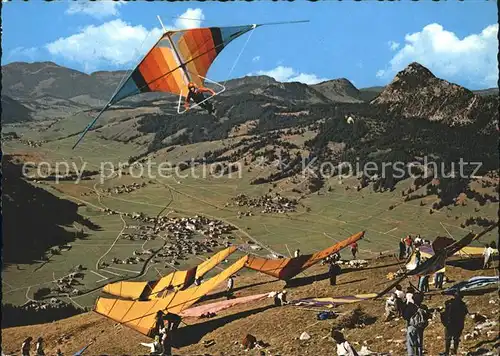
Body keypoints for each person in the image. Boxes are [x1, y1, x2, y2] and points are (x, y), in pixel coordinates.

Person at [440, 291, 468, 356]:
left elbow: (446, 312)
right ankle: (454, 351)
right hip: (459, 324)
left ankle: (447, 352)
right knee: (456, 338)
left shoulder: (450, 303)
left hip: (450, 324)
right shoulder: (463, 304)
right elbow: (465, 313)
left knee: (448, 338)